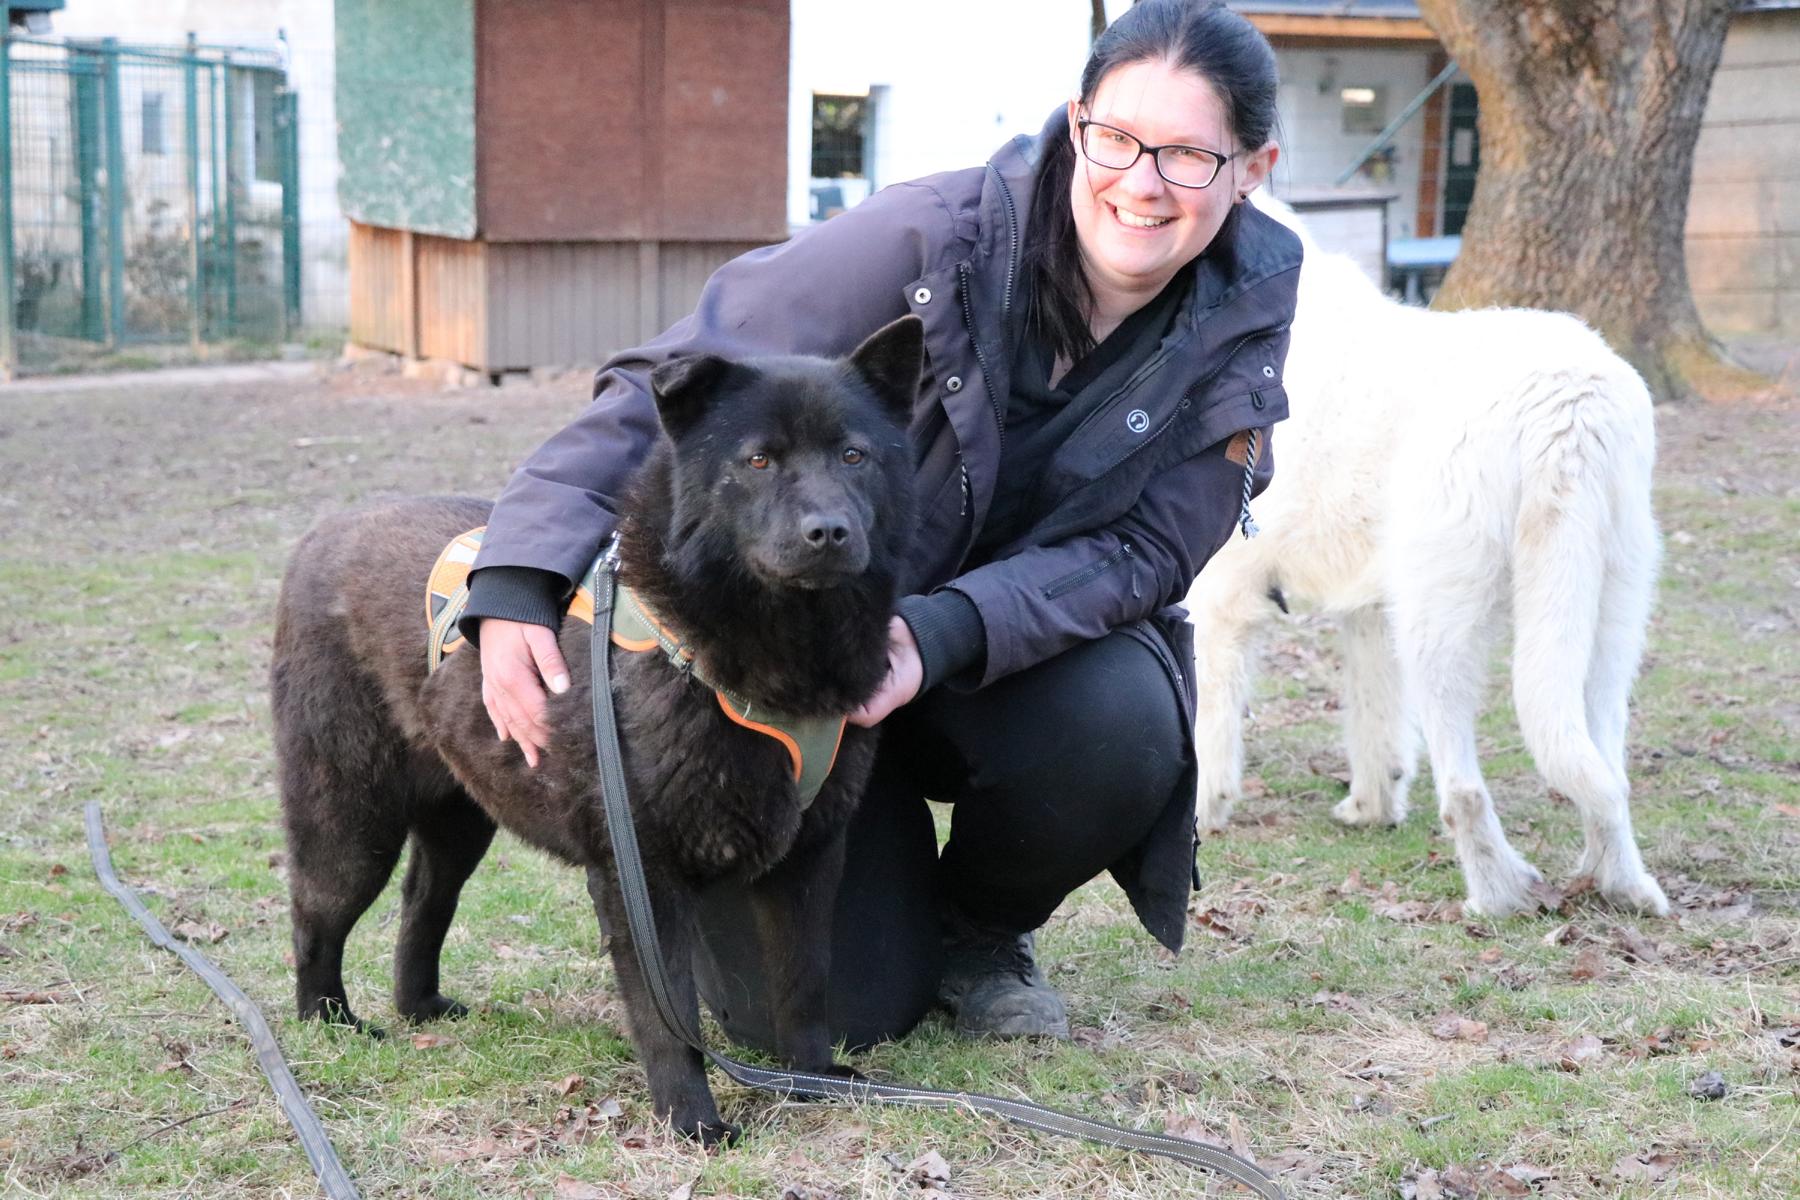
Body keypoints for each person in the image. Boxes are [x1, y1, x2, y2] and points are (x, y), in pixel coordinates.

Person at [462, 0, 1298, 1047]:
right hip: (791, 669)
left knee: (1123, 722)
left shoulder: (1242, 315)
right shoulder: (925, 239)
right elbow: (668, 387)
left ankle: (979, 929)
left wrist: (937, 633)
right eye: (1119, 139)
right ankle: (878, 908)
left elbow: (1147, 549)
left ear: (1251, 169)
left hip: (978, 667)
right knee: (842, 1012)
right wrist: (517, 572)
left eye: (1187, 156)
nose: (1141, 182)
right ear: (1078, 122)